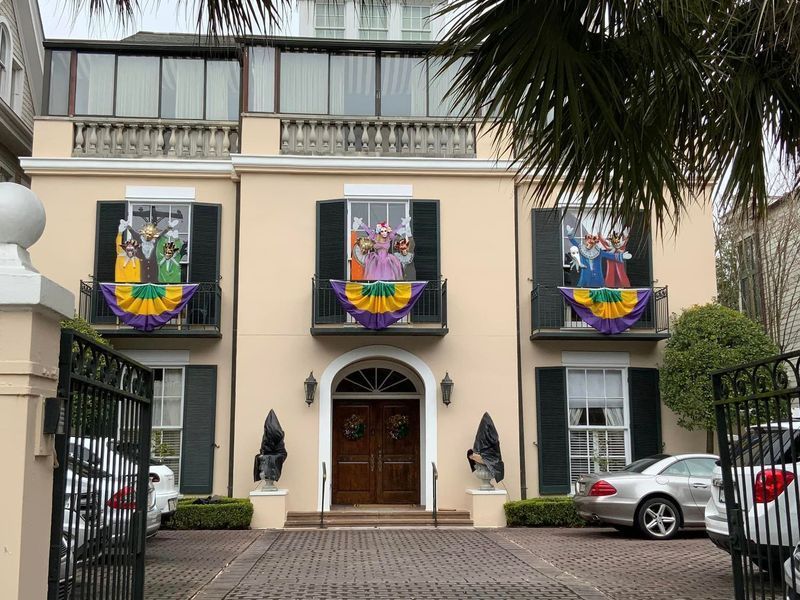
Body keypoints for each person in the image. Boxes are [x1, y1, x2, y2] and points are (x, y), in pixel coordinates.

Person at [352, 216, 411, 280]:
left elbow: (396, 230)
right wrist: (360, 223)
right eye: (382, 231)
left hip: (387, 260)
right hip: (375, 260)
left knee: (389, 276)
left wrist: (403, 223)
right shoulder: (375, 236)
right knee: (374, 277)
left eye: (385, 231)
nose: (384, 232)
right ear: (379, 231)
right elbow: (367, 230)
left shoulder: (389, 237)